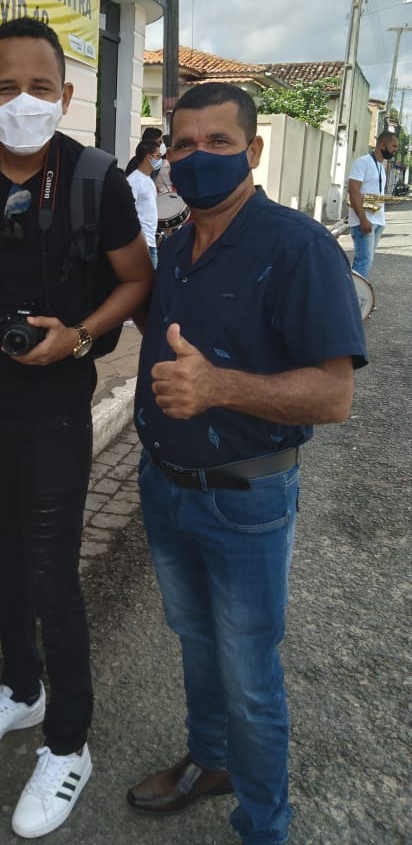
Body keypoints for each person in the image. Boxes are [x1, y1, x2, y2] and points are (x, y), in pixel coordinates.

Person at [0, 18, 152, 839]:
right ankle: (23, 692)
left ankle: (68, 743)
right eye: (5, 87)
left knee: (54, 576)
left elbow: (137, 280)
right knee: (4, 557)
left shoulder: (97, 181)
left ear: (66, 94)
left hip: (55, 411)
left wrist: (80, 336)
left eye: (40, 87)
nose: (22, 101)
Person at [128, 82, 366, 845]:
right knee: (197, 644)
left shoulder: (298, 248)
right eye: (184, 144)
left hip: (246, 503)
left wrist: (220, 388)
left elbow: (334, 395)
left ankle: (264, 826)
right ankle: (210, 761)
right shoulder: (175, 248)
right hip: (166, 490)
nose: (198, 157)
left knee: (249, 675)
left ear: (253, 151)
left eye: (218, 143)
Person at [347, 130, 398, 278]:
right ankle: (352, 291)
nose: (395, 150)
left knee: (365, 262)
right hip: (365, 221)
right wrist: (362, 219)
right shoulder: (362, 162)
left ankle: (351, 289)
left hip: (377, 221)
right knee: (363, 263)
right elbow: (353, 190)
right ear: (382, 145)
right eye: (393, 146)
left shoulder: (380, 166)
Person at [125, 141, 160, 266]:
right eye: (158, 156)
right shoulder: (134, 181)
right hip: (141, 243)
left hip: (150, 241)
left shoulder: (148, 180)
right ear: (148, 157)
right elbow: (128, 211)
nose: (160, 160)